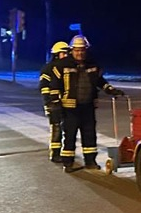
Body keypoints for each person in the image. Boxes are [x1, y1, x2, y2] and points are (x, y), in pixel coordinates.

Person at [51, 35, 124, 172]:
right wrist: (55, 104)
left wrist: (111, 90)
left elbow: (99, 81)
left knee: (89, 135)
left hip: (88, 106)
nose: (80, 53)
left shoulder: (92, 64)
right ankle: (68, 163)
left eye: (82, 50)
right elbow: (55, 85)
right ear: (72, 50)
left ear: (86, 50)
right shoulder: (62, 65)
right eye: (77, 50)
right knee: (70, 136)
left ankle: (90, 161)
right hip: (69, 108)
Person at [40, 41, 71, 163]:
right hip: (53, 104)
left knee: (66, 128)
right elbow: (44, 86)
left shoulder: (66, 67)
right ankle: (55, 153)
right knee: (56, 128)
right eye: (64, 53)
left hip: (65, 102)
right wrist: (50, 102)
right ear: (57, 54)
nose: (66, 55)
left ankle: (64, 152)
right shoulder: (48, 68)